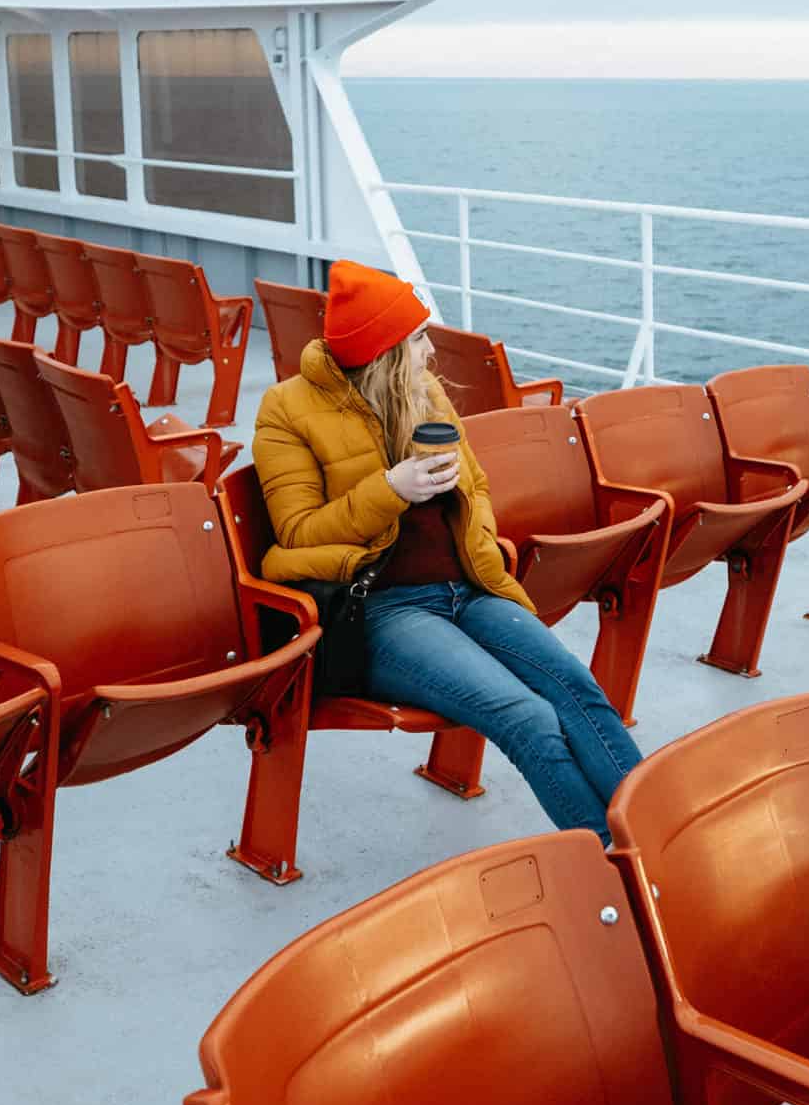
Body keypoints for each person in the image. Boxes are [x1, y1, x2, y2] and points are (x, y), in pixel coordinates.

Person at [250, 259, 644, 842]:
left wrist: (474, 535)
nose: (430, 352)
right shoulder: (286, 409)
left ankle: (660, 830)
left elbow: (477, 486)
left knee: (574, 688)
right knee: (527, 717)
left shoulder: (423, 390)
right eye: (418, 340)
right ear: (383, 352)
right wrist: (390, 491)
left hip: (468, 588)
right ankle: (618, 860)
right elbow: (298, 532)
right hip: (383, 610)